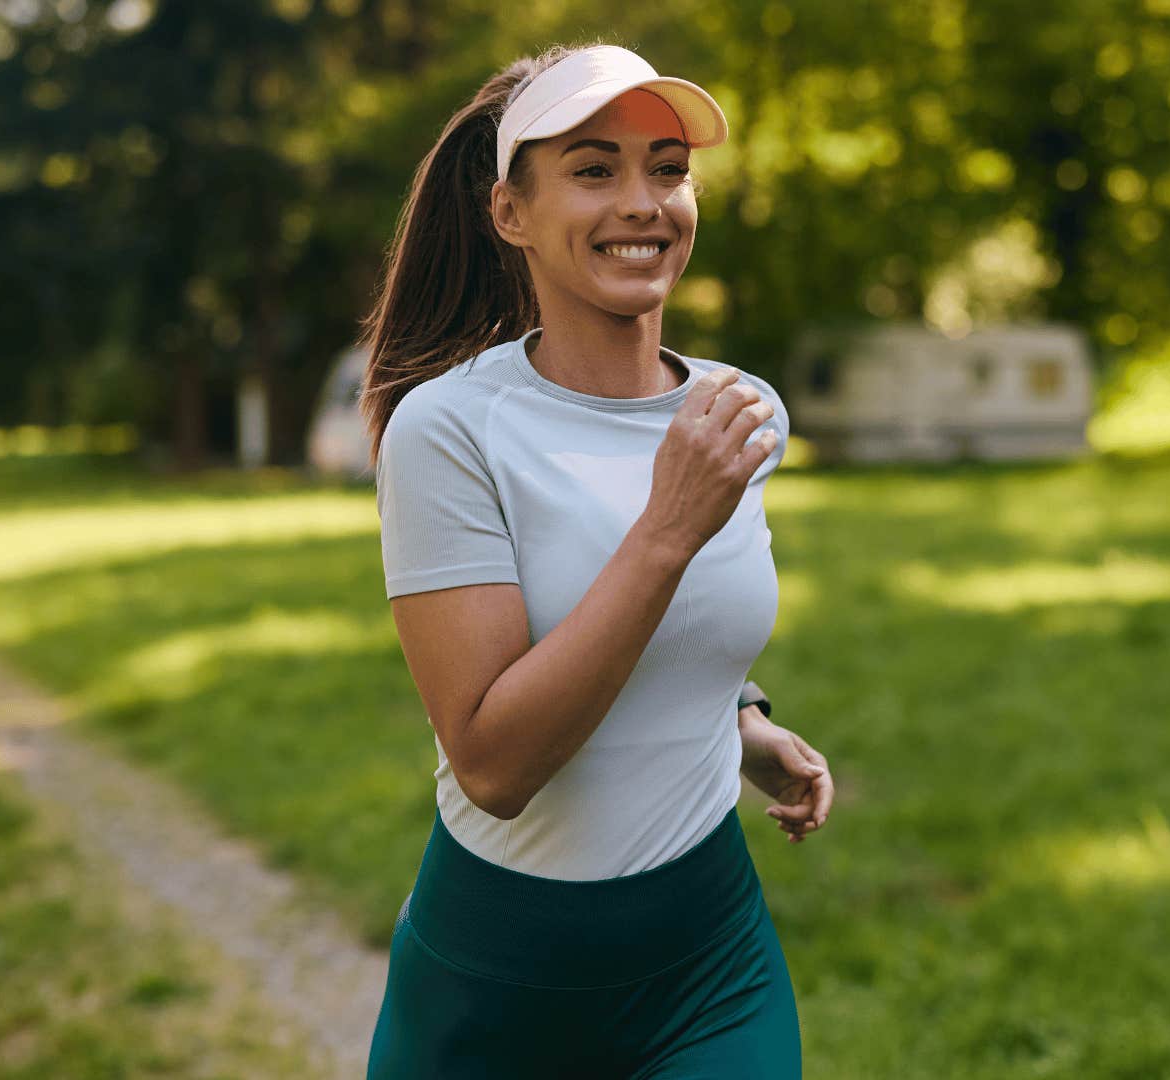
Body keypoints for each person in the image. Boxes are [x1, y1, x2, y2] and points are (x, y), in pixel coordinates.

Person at [356, 40, 835, 1079]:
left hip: (708, 965)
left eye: (668, 168)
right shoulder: (450, 432)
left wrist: (738, 717)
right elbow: (494, 764)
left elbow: (692, 616)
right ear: (509, 213)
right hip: (495, 989)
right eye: (593, 169)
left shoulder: (738, 416)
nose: (643, 202)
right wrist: (666, 528)